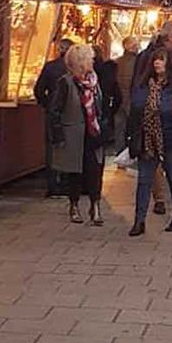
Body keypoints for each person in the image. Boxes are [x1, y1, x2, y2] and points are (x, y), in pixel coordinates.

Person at [127, 50, 172, 236]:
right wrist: (130, 137)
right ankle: (139, 220)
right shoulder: (143, 86)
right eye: (155, 60)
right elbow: (134, 113)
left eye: (161, 60)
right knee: (144, 180)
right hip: (147, 140)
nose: (157, 63)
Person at [47, 44, 107, 225]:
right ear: (80, 62)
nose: (93, 61)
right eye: (89, 58)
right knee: (75, 172)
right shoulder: (66, 83)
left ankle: (95, 206)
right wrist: (58, 135)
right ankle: (74, 205)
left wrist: (104, 124)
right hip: (73, 134)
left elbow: (100, 106)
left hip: (93, 133)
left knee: (95, 170)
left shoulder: (95, 82)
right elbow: (55, 110)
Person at [35, 38, 74, 197]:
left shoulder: (50, 67)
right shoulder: (75, 69)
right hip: (71, 112)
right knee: (69, 147)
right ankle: (66, 183)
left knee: (52, 147)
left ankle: (52, 186)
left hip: (53, 112)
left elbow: (38, 90)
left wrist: (47, 104)